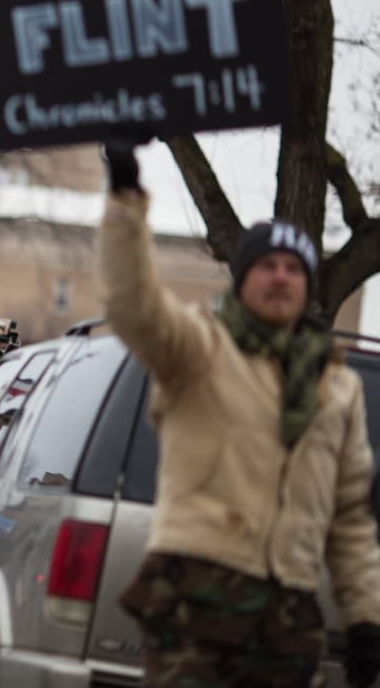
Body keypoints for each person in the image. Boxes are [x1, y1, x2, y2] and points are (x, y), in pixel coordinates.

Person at [98, 139, 380, 687]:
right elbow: (131, 303)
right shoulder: (198, 348)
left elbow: (349, 521)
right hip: (194, 602)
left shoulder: (338, 387)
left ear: (307, 284)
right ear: (243, 278)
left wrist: (366, 617)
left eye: (293, 268)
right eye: (266, 265)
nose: (280, 276)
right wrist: (125, 195)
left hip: (287, 619)